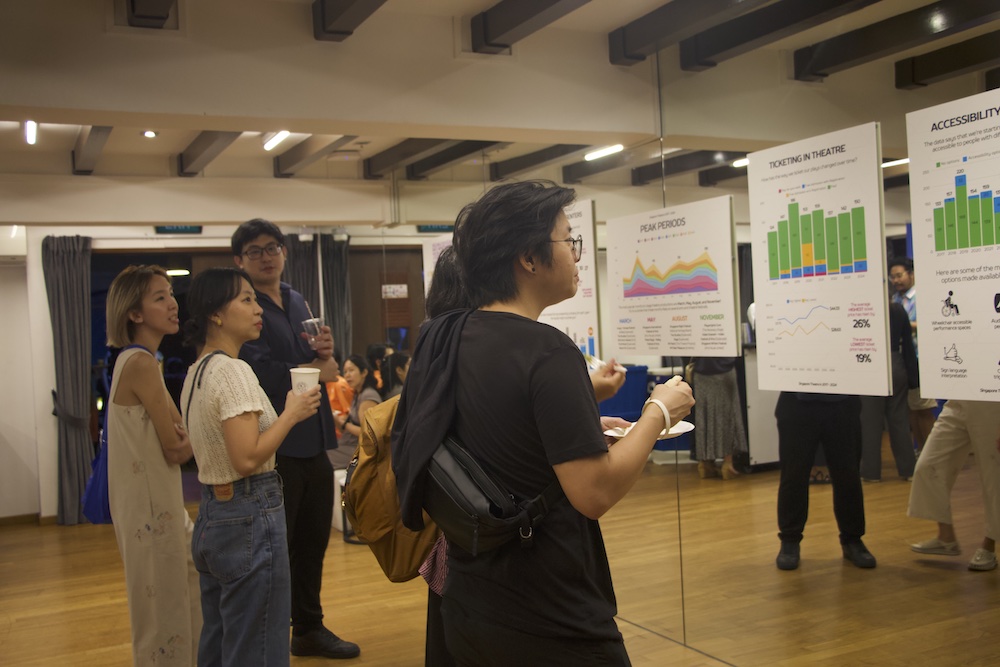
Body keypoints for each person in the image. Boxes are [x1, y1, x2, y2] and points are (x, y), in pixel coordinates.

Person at [392, 181, 695, 666]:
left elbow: (495, 429)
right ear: (529, 259)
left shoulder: (444, 335)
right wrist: (659, 412)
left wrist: (582, 419)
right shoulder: (548, 350)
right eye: (568, 241)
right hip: (547, 605)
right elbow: (593, 492)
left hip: (470, 595)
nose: (577, 256)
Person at [180, 267, 322, 666]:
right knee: (258, 645)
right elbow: (246, 458)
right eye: (245, 299)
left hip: (213, 514)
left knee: (220, 640)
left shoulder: (197, 371)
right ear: (216, 315)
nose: (257, 307)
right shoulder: (233, 370)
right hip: (247, 514)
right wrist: (291, 413)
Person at [231, 219, 359, 660]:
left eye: (273, 247)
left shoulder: (295, 297)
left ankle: (309, 627)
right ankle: (272, 637)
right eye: (255, 251)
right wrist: (312, 367)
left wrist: (323, 351)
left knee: (312, 543)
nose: (266, 256)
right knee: (277, 549)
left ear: (285, 252)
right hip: (275, 441)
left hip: (314, 437)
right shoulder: (242, 306)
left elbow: (314, 361)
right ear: (240, 261)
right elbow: (256, 369)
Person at [105, 265, 202, 666]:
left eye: (171, 293)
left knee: (182, 588)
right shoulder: (141, 364)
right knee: (162, 607)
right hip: (150, 506)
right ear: (134, 313)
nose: (173, 303)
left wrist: (186, 431)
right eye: (159, 296)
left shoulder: (143, 360)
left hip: (153, 501)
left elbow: (178, 436)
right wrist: (211, 428)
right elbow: (175, 448)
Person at [774, 393, 875, 571]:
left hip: (842, 401)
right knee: (793, 475)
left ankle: (852, 539)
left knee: (848, 474)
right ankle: (789, 540)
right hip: (797, 401)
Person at [908, 400, 1000, 572]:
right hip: (960, 396)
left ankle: (989, 545)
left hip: (993, 402)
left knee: (993, 478)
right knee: (928, 465)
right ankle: (946, 537)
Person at [860, 302, 918, 482]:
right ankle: (908, 470)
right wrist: (912, 376)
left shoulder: (863, 307)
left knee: (870, 423)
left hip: (870, 364)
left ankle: (871, 473)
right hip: (896, 363)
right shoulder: (897, 309)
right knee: (900, 420)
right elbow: (907, 342)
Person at [888, 257, 937, 451]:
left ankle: (932, 452)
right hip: (904, 361)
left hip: (921, 359)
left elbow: (930, 324)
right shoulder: (895, 300)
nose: (896, 280)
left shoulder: (922, 297)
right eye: (892, 277)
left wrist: (903, 326)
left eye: (899, 275)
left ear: (911, 274)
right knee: (911, 409)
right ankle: (920, 450)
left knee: (923, 408)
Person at [691, 357, 747, 480]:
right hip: (724, 369)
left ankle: (705, 464)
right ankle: (728, 464)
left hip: (701, 370)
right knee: (727, 414)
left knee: (703, 415)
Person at [330, 354, 382, 469]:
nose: (347, 375)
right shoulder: (358, 393)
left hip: (359, 449)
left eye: (351, 370)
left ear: (364, 372)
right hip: (349, 444)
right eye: (345, 371)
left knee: (324, 458)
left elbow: (368, 433)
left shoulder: (368, 395)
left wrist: (345, 424)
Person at [326, 348, 354, 440]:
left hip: (339, 437)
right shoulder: (322, 383)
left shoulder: (340, 384)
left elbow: (348, 416)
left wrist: (331, 413)